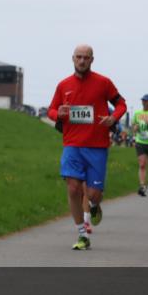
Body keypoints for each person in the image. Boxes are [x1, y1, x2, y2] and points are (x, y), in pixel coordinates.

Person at [47, 45, 126, 250]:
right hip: (72, 145)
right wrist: (59, 115)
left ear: (92, 60)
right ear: (72, 59)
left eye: (86, 58)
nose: (82, 61)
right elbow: (51, 110)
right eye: (78, 57)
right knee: (73, 188)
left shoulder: (103, 82)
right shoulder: (63, 85)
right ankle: (82, 234)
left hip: (97, 146)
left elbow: (121, 104)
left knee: (92, 195)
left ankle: (94, 206)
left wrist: (113, 118)